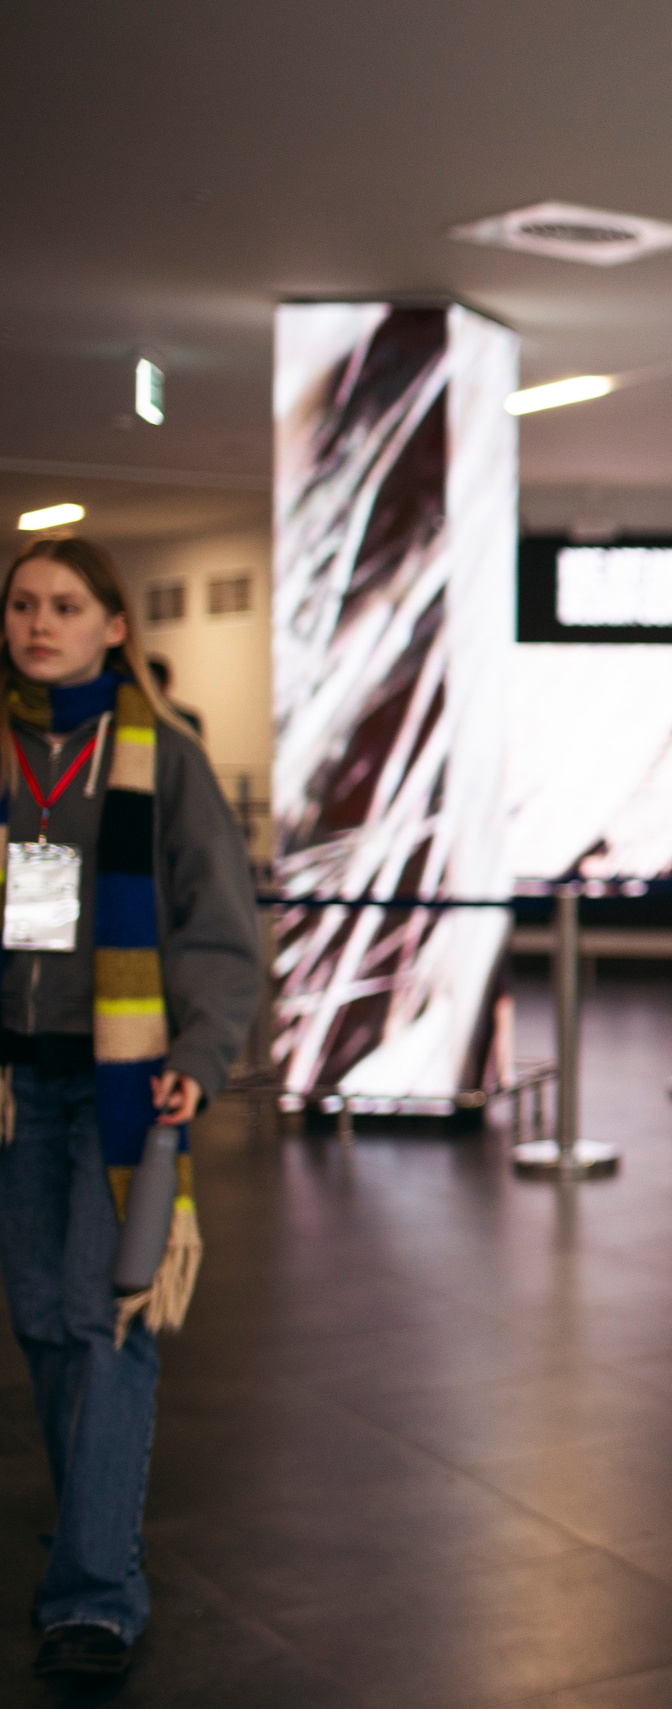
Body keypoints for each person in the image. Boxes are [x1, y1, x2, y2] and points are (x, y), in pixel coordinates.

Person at [0, 538, 259, 1684]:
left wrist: (199, 1054)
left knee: (107, 1319)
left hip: (123, 1085)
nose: (38, 623)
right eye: (22, 603)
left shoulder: (165, 756)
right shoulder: (6, 749)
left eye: (65, 605)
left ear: (113, 626)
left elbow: (219, 923)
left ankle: (96, 1589)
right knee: (42, 1320)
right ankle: (92, 1527)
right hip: (16, 1087)